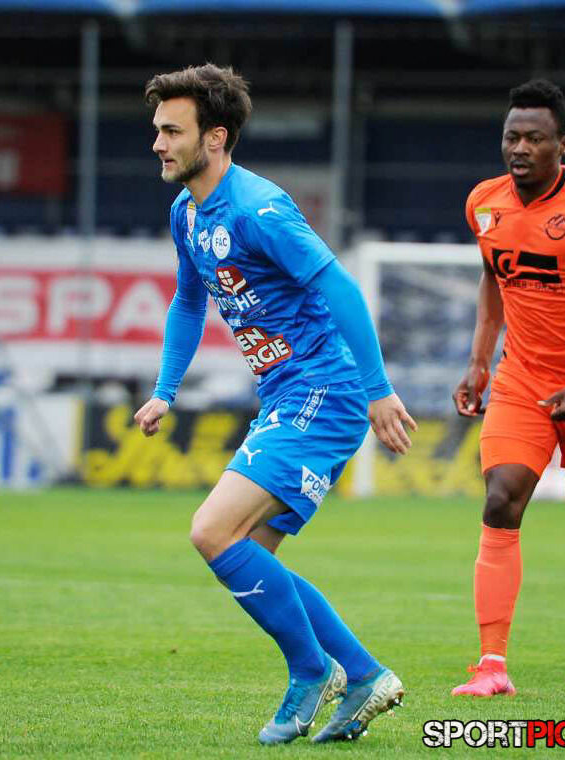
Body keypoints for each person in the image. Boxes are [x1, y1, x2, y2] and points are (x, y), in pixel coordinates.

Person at [135, 64, 416, 745]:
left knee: (211, 530)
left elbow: (340, 286)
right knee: (251, 550)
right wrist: (165, 391)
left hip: (325, 389)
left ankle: (312, 672)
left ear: (215, 137)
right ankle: (364, 674)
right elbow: (188, 302)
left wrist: (378, 389)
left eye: (172, 131)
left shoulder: (260, 208)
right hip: (287, 394)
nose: (158, 144)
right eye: (157, 130)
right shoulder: (186, 213)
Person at [452, 79, 565, 697]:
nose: (520, 148)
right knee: (500, 500)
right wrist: (479, 363)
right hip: (523, 377)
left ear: (561, 145)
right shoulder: (484, 203)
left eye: (534, 138)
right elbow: (493, 278)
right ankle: (491, 666)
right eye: (511, 137)